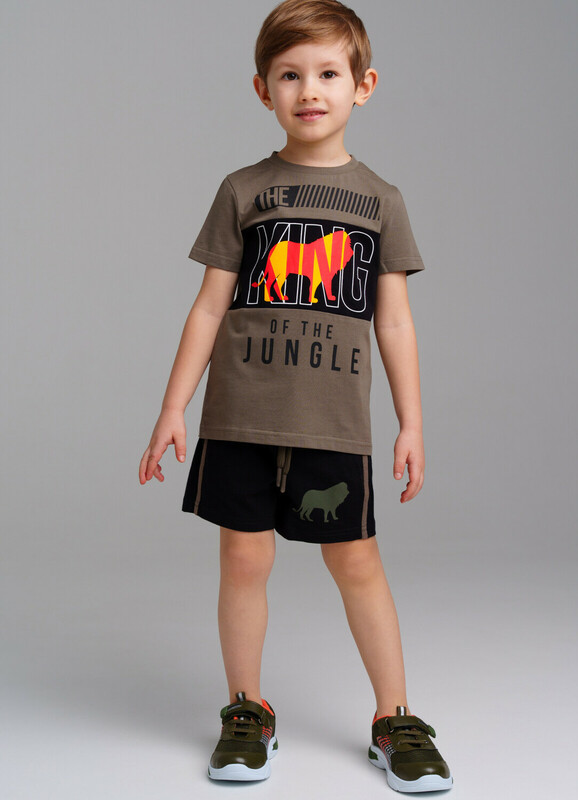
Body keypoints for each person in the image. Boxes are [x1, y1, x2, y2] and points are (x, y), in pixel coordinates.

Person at [139, 0, 453, 792]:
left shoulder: (381, 200)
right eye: (289, 75)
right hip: (240, 416)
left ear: (362, 86)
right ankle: (246, 709)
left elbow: (395, 321)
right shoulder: (243, 190)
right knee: (243, 559)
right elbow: (208, 307)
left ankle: (396, 718)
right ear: (263, 90)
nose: (309, 90)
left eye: (327, 73)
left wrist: (412, 422)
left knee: (357, 562)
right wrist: (173, 407)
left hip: (333, 424)